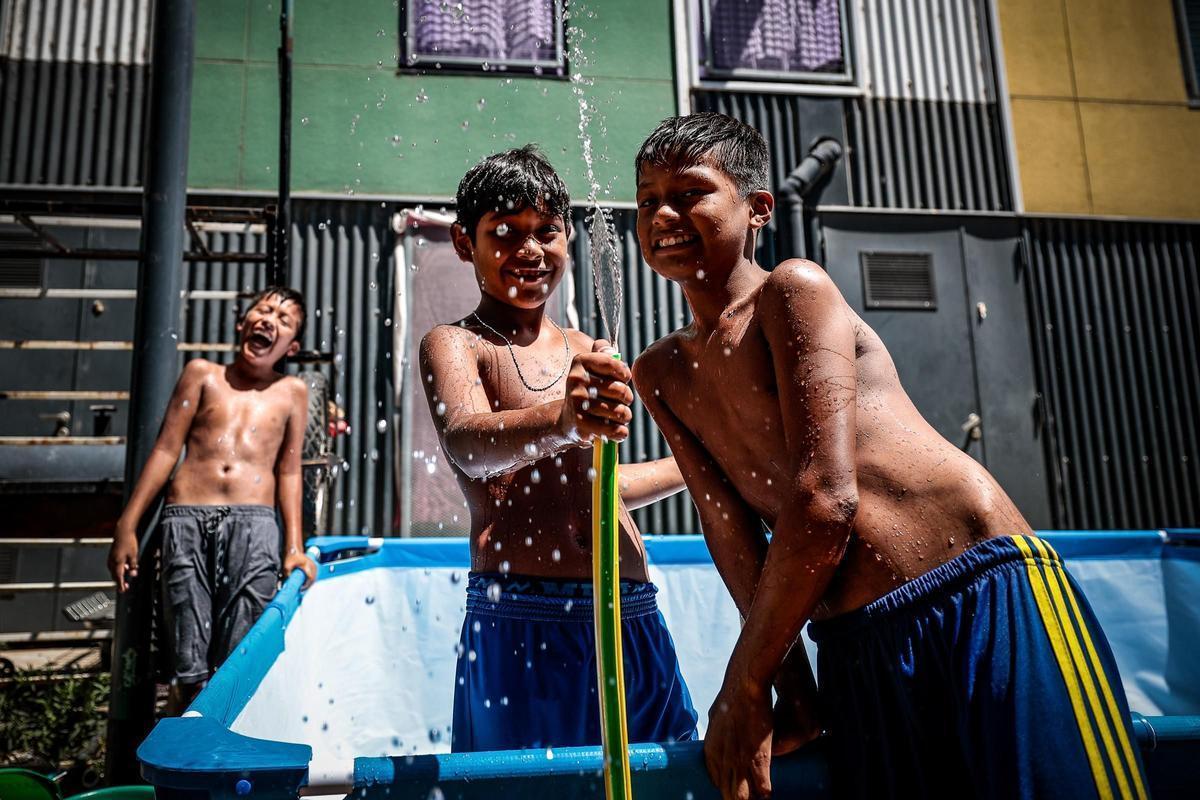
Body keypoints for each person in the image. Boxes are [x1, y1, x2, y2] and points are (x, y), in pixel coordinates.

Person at [631, 112, 1149, 800]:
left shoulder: (793, 289)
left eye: (689, 192)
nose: (663, 212)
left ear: (758, 208)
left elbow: (825, 497)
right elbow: (732, 537)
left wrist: (745, 685)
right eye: (646, 199)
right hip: (857, 642)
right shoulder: (663, 372)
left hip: (982, 590)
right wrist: (796, 692)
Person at [419, 145, 698, 752]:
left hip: (630, 611)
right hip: (524, 615)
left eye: (546, 231)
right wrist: (565, 419)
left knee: (666, 780)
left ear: (568, 238)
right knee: (530, 790)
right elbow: (468, 445)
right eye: (505, 232)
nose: (529, 250)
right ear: (466, 244)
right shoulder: (459, 344)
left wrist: (695, 465)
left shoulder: (588, 346)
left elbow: (597, 488)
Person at [107, 286, 318, 714]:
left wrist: (293, 546)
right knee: (188, 658)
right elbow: (167, 449)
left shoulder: (292, 391)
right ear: (242, 323)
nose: (268, 319)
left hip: (255, 523)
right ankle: (187, 752)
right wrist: (127, 524)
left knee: (241, 653)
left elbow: (289, 470)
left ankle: (227, 748)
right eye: (262, 310)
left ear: (291, 345)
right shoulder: (202, 374)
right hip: (186, 518)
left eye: (282, 318)